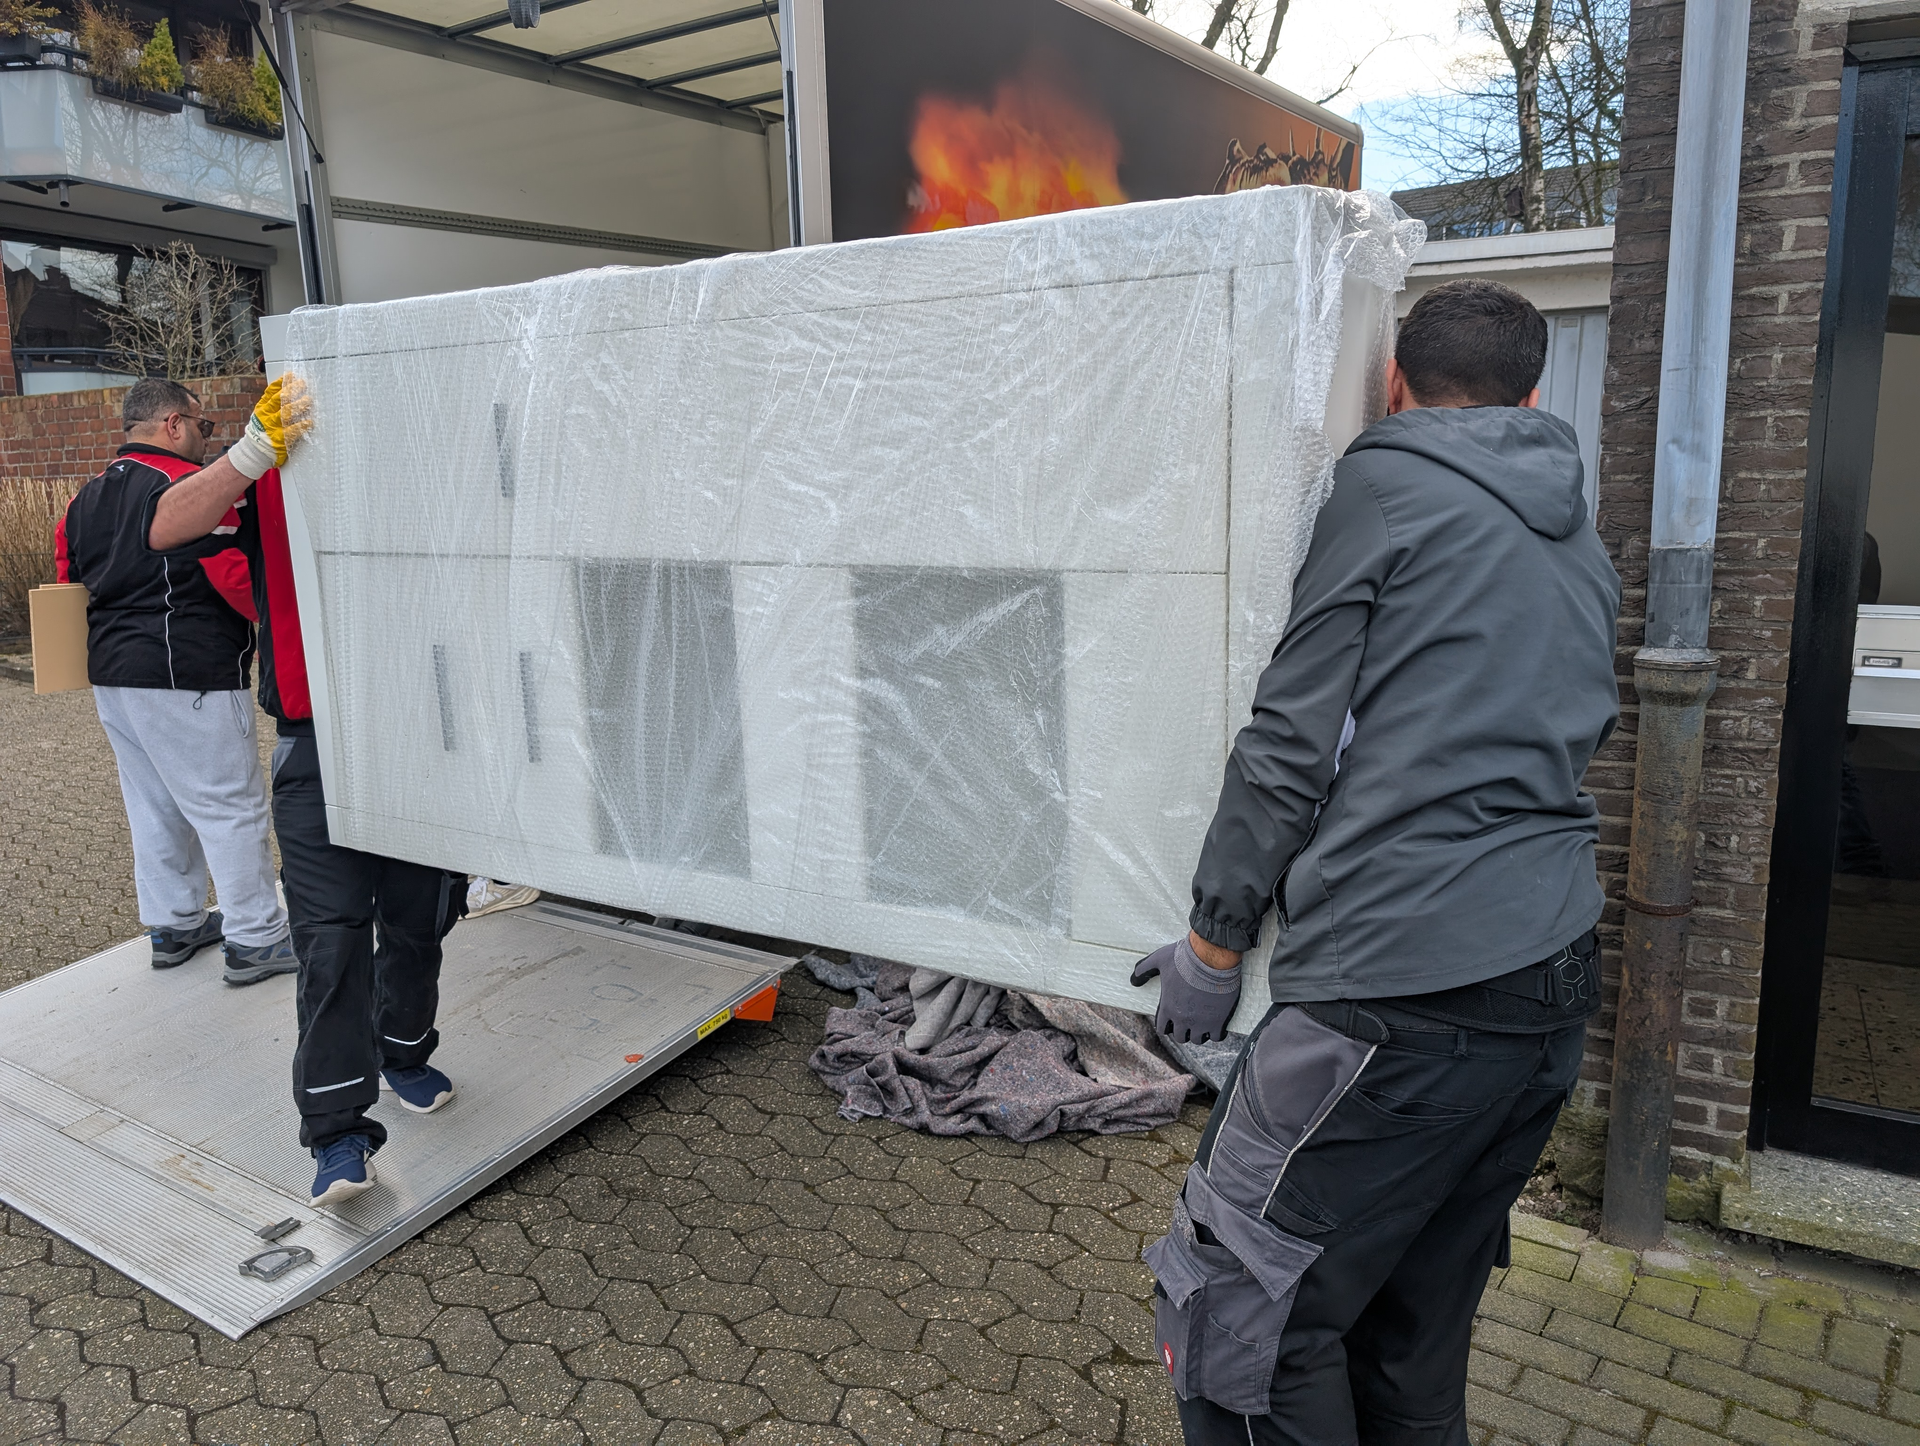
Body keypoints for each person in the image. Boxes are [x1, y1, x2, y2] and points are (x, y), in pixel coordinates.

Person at [1131, 278, 1622, 1444]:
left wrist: (1214, 938)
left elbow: (1290, 738)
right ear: (1532, 394)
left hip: (1396, 998)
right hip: (1547, 993)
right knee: (1407, 1331)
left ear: (1394, 384)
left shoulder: (1382, 485)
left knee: (1238, 1312)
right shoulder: (1577, 539)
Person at [238, 425, 468, 1208]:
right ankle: (338, 1133)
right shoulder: (268, 472)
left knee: (419, 919)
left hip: (423, 742)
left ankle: (403, 1049)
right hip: (318, 749)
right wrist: (248, 454)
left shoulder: (423, 469)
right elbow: (164, 525)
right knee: (331, 944)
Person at [55, 378, 298, 985]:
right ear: (173, 424)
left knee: (153, 805)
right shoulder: (187, 488)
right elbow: (232, 576)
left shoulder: (85, 497)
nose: (204, 436)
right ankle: (257, 937)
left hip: (112, 676)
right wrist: (279, 619)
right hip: (186, 671)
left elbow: (68, 576)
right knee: (230, 806)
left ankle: (176, 924)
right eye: (202, 425)